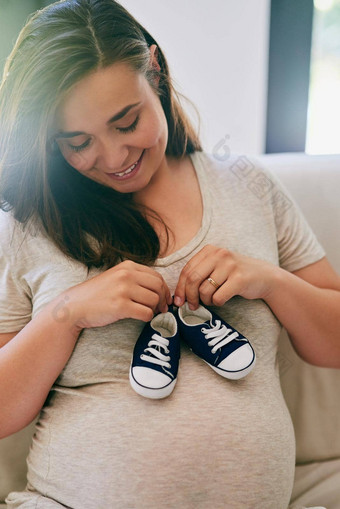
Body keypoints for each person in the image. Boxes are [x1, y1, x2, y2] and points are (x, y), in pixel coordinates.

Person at [0, 0, 339, 507]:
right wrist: (66, 315)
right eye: (77, 142)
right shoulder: (29, 226)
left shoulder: (247, 186)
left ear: (154, 72)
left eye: (126, 121)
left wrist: (271, 282)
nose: (114, 158)